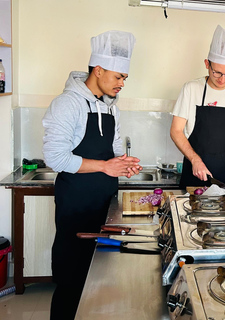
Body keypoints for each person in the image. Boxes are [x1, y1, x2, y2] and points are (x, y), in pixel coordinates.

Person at [42, 30, 141, 320]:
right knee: (71, 280)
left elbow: (110, 151)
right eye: (118, 77)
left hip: (105, 206)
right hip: (76, 206)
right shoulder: (67, 104)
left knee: (99, 279)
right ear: (98, 70)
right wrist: (105, 166)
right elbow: (55, 158)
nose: (122, 83)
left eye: (125, 78)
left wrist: (123, 163)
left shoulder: (112, 108)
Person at [170, 25, 225, 191]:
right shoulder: (191, 89)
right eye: (217, 73)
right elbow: (176, 131)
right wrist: (195, 160)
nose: (223, 79)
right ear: (207, 64)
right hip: (194, 175)